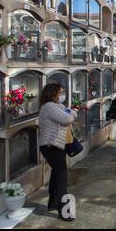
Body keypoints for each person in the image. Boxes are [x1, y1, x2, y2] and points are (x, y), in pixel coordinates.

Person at [38, 83, 77, 222]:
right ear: (52, 93)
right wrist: (69, 113)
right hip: (51, 146)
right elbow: (67, 118)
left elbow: (73, 113)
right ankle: (63, 210)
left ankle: (53, 202)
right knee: (61, 177)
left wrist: (69, 112)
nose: (63, 94)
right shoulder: (49, 107)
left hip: (58, 146)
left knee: (57, 173)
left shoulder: (57, 106)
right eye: (60, 92)